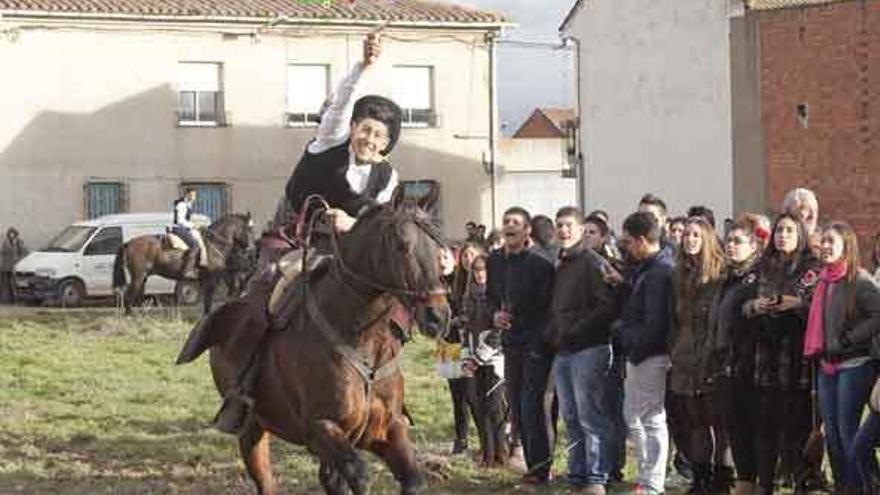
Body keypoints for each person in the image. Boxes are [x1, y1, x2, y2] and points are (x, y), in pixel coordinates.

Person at [213, 31, 403, 434]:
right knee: (264, 298)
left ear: (387, 145)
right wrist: (364, 67)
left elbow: (377, 227)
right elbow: (341, 102)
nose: (369, 139)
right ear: (352, 128)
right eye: (365, 129)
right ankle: (243, 392)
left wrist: (353, 225)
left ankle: (388, 399)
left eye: (379, 136)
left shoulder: (388, 178)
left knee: (389, 313)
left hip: (343, 256)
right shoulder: (327, 143)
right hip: (291, 240)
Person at [742, 214, 820, 495]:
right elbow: (743, 303)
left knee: (795, 428)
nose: (782, 235)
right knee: (765, 427)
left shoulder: (811, 267)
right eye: (779, 230)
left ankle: (800, 482)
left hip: (796, 358)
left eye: (789, 230)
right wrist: (755, 306)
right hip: (765, 358)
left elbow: (817, 308)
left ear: (799, 234)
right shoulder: (764, 266)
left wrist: (796, 304)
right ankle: (765, 484)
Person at [804, 222, 880, 495]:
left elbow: (877, 315)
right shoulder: (823, 280)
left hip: (854, 364)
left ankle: (863, 486)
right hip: (826, 365)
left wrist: (849, 339)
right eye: (823, 241)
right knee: (833, 434)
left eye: (830, 242)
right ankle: (843, 485)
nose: (824, 246)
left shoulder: (859, 280)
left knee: (849, 432)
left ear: (846, 246)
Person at [547, 206, 616, 494]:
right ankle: (577, 477)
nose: (563, 230)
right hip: (563, 350)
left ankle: (596, 478)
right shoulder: (560, 263)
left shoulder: (592, 262)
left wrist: (576, 330)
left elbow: (607, 306)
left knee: (590, 416)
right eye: (559, 225)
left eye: (568, 226)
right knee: (570, 417)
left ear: (579, 230)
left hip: (589, 348)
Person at [487, 207, 555, 485]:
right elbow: (491, 296)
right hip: (510, 341)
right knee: (516, 404)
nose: (509, 226)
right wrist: (495, 315)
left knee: (532, 406)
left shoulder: (541, 263)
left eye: (516, 223)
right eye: (506, 222)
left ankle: (541, 468)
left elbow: (549, 306)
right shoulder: (494, 260)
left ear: (527, 230)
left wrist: (540, 340)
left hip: (536, 342)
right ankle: (533, 466)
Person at [613, 211, 676, 495]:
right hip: (639, 353)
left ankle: (652, 482)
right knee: (634, 416)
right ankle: (647, 475)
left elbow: (655, 324)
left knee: (650, 418)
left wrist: (622, 332)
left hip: (651, 354)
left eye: (628, 242)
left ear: (641, 240)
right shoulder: (647, 268)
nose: (625, 247)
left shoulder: (660, 271)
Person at [669, 216, 730, 494]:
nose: (690, 240)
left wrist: (709, 362)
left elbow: (716, 325)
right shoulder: (679, 275)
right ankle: (700, 478)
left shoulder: (719, 276)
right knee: (695, 422)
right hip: (684, 358)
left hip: (711, 359)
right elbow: (675, 321)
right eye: (686, 235)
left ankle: (722, 479)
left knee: (719, 423)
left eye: (696, 235)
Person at [713, 216, 763, 495]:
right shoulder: (727, 278)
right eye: (729, 240)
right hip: (726, 363)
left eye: (738, 241)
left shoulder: (757, 279)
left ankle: (752, 482)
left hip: (750, 365)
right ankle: (743, 481)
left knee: (750, 427)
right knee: (733, 427)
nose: (731, 246)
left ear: (754, 246)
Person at [461, 254, 508, 467]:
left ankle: (502, 454)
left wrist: (479, 358)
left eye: (483, 269)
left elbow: (499, 331)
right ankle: (488, 454)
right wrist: (466, 357)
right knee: (477, 405)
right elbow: (468, 327)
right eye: (476, 270)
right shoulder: (469, 295)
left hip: (494, 359)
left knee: (495, 407)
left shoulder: (498, 295)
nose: (480, 274)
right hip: (473, 357)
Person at [446, 243, 483, 455]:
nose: (468, 259)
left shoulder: (482, 281)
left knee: (472, 393)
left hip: (471, 344)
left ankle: (484, 440)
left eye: (472, 254)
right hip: (449, 343)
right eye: (465, 255)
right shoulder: (453, 281)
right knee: (456, 394)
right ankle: (460, 439)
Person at [171, 188, 201, 279]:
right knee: (195, 245)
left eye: (195, 195)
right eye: (192, 195)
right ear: (187, 194)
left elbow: (187, 219)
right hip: (179, 228)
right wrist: (193, 225)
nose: (194, 197)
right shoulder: (181, 204)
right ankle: (187, 270)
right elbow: (180, 221)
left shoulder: (188, 204)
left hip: (185, 228)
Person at [0, 227, 28, 303]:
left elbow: (23, 252)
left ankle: (16, 299)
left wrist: (18, 260)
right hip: (5, 267)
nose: (12, 235)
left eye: (13, 234)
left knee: (15, 283)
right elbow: (2, 252)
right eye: (10, 234)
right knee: (5, 284)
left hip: (15, 266)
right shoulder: (5, 242)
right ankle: (5, 299)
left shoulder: (19, 242)